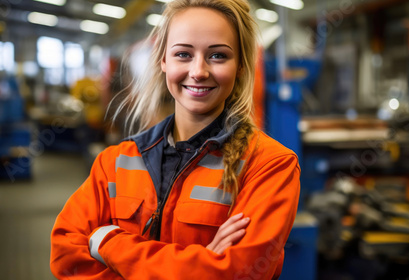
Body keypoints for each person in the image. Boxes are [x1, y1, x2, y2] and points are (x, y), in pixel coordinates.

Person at [50, 0, 300, 279]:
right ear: (164, 61)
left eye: (217, 56)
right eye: (183, 54)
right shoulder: (115, 162)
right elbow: (65, 255)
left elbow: (241, 273)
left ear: (241, 65)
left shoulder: (269, 166)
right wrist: (203, 263)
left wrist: (109, 243)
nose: (198, 71)